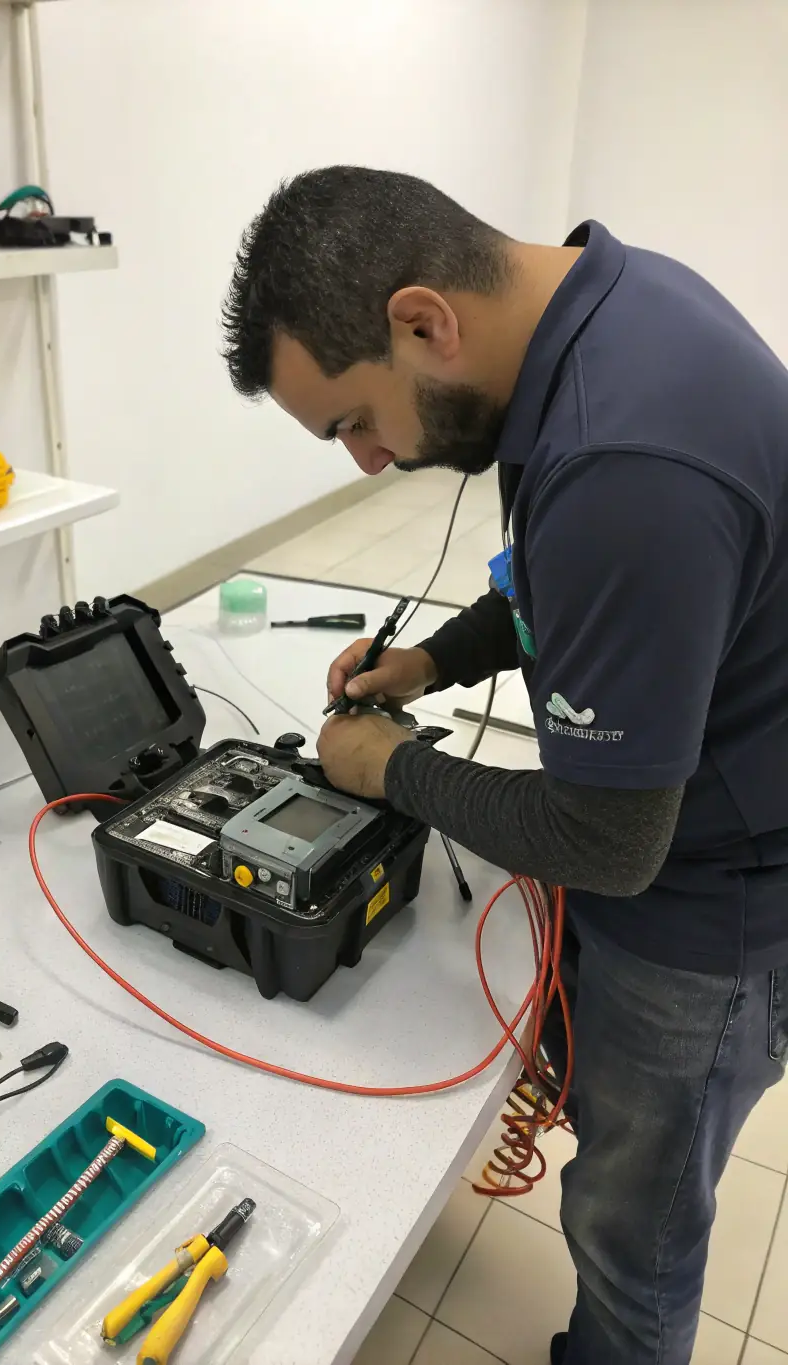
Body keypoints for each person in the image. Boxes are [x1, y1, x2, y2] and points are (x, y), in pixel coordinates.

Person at [220, 166, 788, 1365]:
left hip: (720, 901)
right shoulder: (606, 304)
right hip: (704, 804)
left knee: (632, 1226)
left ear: (423, 320)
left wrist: (384, 767)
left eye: (352, 422)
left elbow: (606, 844)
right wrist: (430, 662)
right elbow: (551, 584)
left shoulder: (625, 462)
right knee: (604, 1123)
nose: (367, 462)